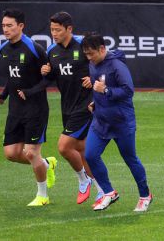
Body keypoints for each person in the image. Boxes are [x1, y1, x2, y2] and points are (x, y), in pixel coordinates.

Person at [81, 33, 152, 212]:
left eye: (91, 54)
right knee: (90, 155)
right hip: (101, 121)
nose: (89, 58)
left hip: (121, 122)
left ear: (102, 49)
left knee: (130, 159)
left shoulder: (117, 66)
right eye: (86, 54)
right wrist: (95, 101)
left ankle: (145, 195)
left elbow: (128, 91)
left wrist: (105, 91)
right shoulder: (92, 64)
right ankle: (109, 192)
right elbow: (98, 88)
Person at [40, 12, 103, 205]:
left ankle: (83, 181)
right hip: (67, 106)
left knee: (64, 146)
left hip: (86, 106)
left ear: (69, 29)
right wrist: (46, 72)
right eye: (51, 29)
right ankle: (104, 190)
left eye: (58, 29)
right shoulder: (52, 51)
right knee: (83, 151)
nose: (54, 33)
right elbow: (52, 77)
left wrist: (93, 80)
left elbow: (103, 65)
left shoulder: (84, 45)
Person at [0, 8, 57, 206]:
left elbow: (49, 77)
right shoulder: (3, 49)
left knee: (31, 152)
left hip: (35, 109)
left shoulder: (34, 48)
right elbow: (12, 78)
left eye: (10, 25)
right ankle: (46, 164)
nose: (5, 29)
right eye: (3, 25)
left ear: (21, 26)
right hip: (15, 109)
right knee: (11, 154)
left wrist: (31, 91)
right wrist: (4, 95)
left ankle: (43, 195)